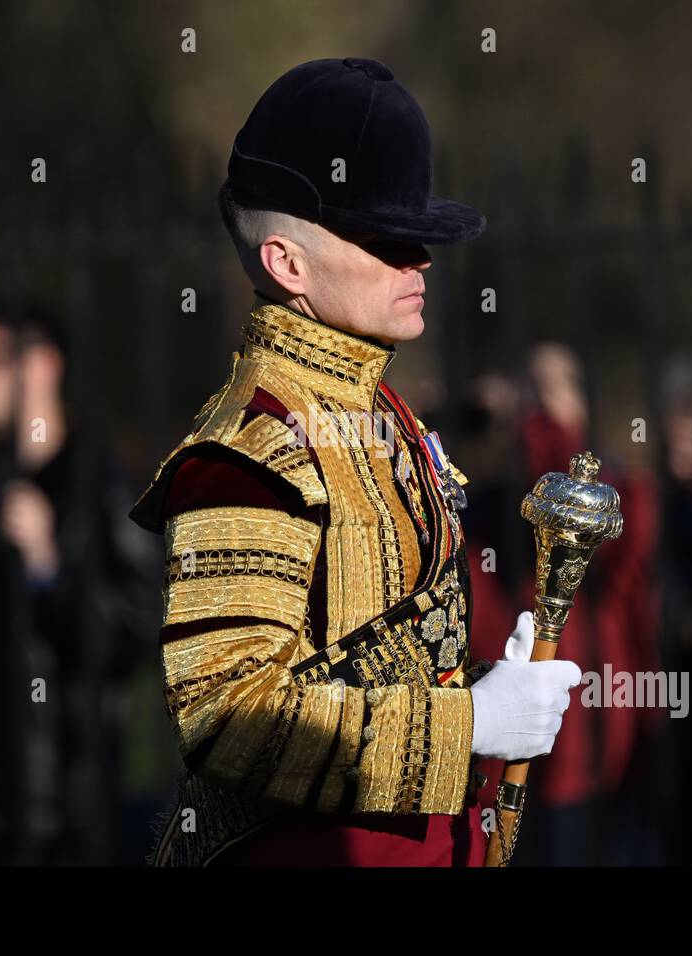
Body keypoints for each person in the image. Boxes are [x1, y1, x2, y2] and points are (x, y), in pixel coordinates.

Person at [129, 57, 582, 866]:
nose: (421, 260)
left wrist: (480, 687)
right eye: (385, 235)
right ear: (286, 263)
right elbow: (225, 712)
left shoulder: (381, 410)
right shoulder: (251, 446)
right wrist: (469, 725)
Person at [0, 301, 156, 864]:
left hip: (64, 805)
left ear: (41, 366)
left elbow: (137, 631)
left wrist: (47, 569)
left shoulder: (102, 483)